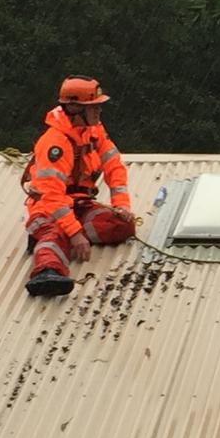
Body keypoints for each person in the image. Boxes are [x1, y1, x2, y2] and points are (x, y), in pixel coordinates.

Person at [20, 75, 136, 296]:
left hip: (80, 205)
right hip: (49, 209)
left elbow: (114, 167)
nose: (98, 112)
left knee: (122, 226)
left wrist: (122, 206)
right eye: (93, 107)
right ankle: (46, 272)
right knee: (55, 234)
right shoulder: (54, 142)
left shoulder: (94, 130)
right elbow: (52, 196)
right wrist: (74, 233)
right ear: (74, 108)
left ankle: (61, 235)